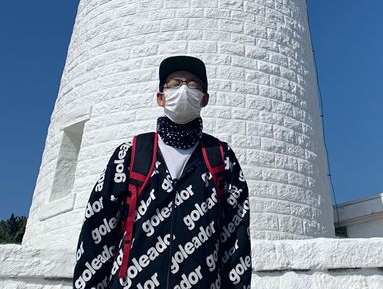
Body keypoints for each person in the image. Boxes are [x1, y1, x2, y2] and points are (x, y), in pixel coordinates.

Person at [73, 55, 251, 289]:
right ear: (160, 97)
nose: (184, 89)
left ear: (205, 99)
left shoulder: (221, 158)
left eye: (193, 84)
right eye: (175, 83)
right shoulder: (130, 155)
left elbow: (236, 243)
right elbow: (97, 232)